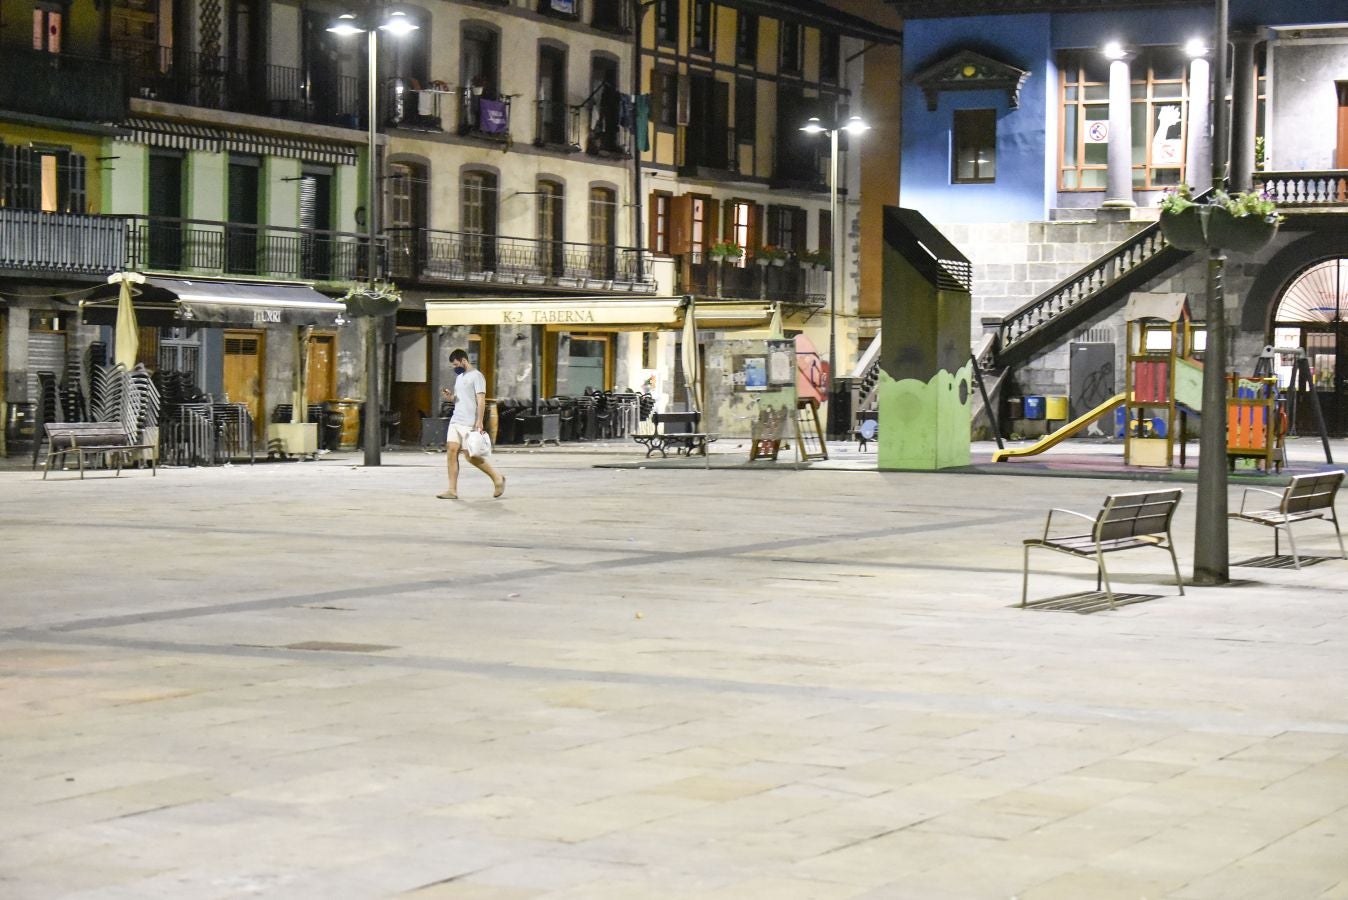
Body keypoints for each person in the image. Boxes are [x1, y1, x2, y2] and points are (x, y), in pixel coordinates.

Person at [438, 349, 505, 500]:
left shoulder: (477, 376)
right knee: (451, 451)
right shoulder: (460, 377)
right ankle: (452, 490)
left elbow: (481, 400)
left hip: (469, 422)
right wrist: (451, 397)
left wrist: (479, 421)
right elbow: (460, 398)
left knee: (470, 456)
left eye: (456, 364)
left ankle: (497, 478)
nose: (455, 367)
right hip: (456, 420)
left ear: (463, 360)